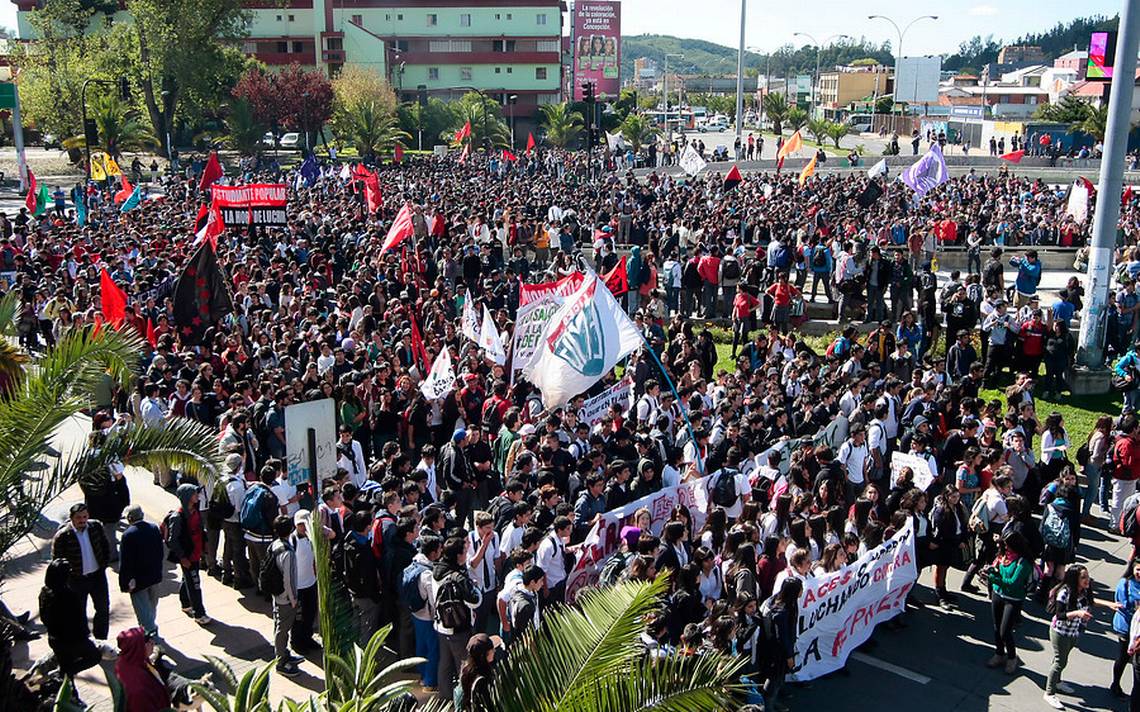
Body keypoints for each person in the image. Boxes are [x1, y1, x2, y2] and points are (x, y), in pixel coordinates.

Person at [1043, 564, 1117, 709]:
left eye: (1087, 576)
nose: (1087, 580)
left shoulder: (1084, 590)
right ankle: (1049, 693)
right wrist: (1078, 613)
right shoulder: (1064, 593)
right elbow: (1060, 615)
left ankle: (1057, 682)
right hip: (1060, 632)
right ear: (1074, 578)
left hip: (1073, 632)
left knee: (1061, 659)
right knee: (1060, 662)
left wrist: (1110, 604)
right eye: (1083, 577)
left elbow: (1091, 601)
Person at [432, 535, 483, 702]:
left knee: (444, 664)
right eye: (464, 552)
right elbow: (474, 601)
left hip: (441, 626)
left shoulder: (436, 570)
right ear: (457, 555)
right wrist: (474, 588)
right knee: (464, 666)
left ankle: (445, 698)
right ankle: (464, 700)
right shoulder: (457, 577)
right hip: (459, 628)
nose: (466, 555)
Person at [50, 502, 111, 640]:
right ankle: (84, 639)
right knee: (78, 612)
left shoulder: (96, 527)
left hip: (97, 577)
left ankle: (101, 639)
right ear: (72, 518)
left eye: (84, 516)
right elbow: (57, 562)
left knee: (103, 608)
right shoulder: (63, 536)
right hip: (76, 580)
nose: (82, 520)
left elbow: (105, 546)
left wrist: (104, 564)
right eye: (78, 517)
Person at [38, 558, 104, 678]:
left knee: (65, 665)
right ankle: (65, 673)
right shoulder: (68, 595)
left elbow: (44, 618)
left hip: (55, 639)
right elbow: (78, 619)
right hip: (73, 640)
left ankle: (67, 680)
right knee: (94, 657)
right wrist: (85, 635)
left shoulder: (45, 593)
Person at [986, 531, 1034, 675]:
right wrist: (991, 572)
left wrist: (994, 579)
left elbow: (1013, 583)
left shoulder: (1023, 563)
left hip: (1013, 599)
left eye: (1007, 545)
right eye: (1003, 545)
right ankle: (999, 653)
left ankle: (1012, 657)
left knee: (1005, 631)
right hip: (998, 594)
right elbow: (997, 571)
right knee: (996, 627)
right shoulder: (1002, 557)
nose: (1005, 548)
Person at [166, 482, 212, 625]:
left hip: (196, 553)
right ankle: (199, 614)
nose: (197, 496)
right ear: (187, 497)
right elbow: (173, 540)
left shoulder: (195, 510)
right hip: (188, 556)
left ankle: (186, 604)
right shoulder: (178, 517)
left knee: (188, 579)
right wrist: (182, 557)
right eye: (194, 494)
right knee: (195, 584)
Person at [118, 505, 165, 637]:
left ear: (130, 518)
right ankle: (149, 630)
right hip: (154, 576)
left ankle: (151, 637)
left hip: (138, 581)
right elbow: (160, 552)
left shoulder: (128, 535)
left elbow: (125, 561)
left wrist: (124, 583)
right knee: (151, 607)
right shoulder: (153, 528)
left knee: (143, 610)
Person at [268, 515, 303, 677]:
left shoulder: (274, 545)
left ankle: (283, 653)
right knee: (283, 629)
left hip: (276, 594)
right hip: (285, 597)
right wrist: (293, 598)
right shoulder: (287, 552)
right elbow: (288, 578)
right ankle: (281, 661)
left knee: (279, 624)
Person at [761, 577, 803, 712]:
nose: (802, 591)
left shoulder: (786, 602)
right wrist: (789, 656)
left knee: (778, 678)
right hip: (777, 653)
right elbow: (782, 637)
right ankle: (768, 706)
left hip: (779, 651)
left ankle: (773, 701)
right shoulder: (781, 612)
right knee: (774, 679)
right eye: (800, 589)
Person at [458, 633, 498, 711]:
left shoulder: (465, 670)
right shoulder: (482, 679)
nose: (494, 651)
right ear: (483, 655)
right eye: (491, 649)